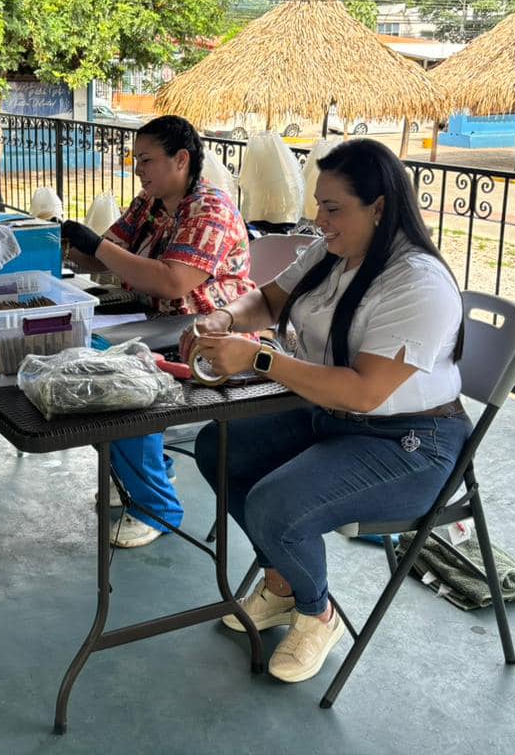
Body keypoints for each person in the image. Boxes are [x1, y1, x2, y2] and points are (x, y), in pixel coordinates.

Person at [184, 138, 470, 684]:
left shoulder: (417, 283)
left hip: (411, 445)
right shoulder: (336, 251)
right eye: (319, 204)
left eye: (333, 208)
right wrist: (223, 319)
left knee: (275, 503)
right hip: (335, 417)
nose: (319, 219)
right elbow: (268, 301)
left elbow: (365, 392)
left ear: (379, 207)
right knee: (218, 447)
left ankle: (318, 613)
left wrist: (261, 357)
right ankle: (283, 582)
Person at [61, 115, 255, 548]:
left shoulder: (210, 208)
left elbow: (173, 282)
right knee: (79, 353)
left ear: (181, 160)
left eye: (146, 160)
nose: (138, 169)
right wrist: (70, 240)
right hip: (159, 323)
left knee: (120, 380)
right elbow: (104, 258)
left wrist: (97, 247)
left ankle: (157, 506)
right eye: (136, 160)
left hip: (210, 334)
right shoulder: (149, 205)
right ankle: (140, 468)